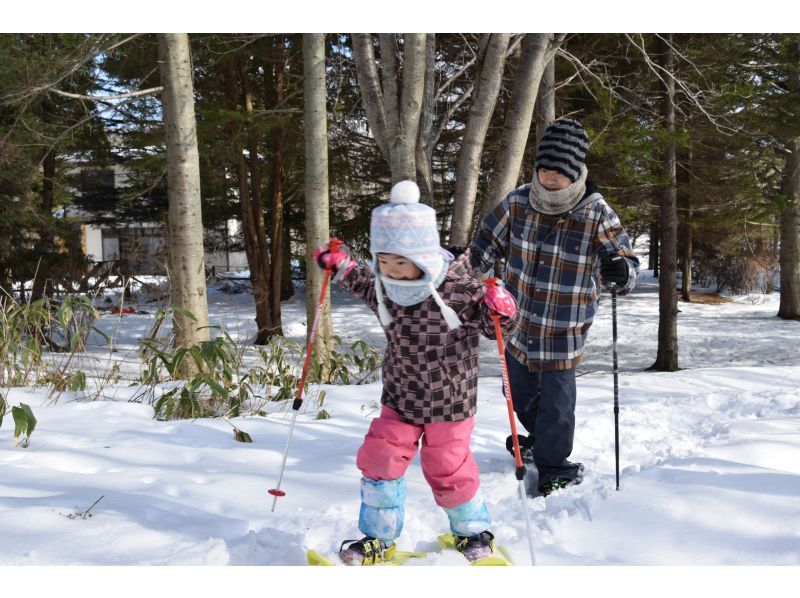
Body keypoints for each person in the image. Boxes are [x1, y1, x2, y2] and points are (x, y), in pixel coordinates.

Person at [313, 180, 518, 565]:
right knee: (380, 460)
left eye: (400, 262)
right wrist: (340, 265)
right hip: (401, 397)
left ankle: (473, 532)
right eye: (384, 261)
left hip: (450, 402)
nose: (391, 270)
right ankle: (377, 537)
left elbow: (496, 330)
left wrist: (502, 309)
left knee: (448, 469)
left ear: (423, 256)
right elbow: (360, 280)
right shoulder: (385, 286)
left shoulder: (457, 289)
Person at [469, 117, 639, 497]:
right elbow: (482, 247)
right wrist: (453, 268)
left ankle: (554, 466)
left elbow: (627, 265)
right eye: (544, 169)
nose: (548, 179)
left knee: (558, 408)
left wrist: (619, 270)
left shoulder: (595, 211)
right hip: (516, 327)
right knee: (517, 394)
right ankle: (540, 441)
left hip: (565, 329)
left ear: (575, 172)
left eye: (557, 173)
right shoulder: (517, 202)